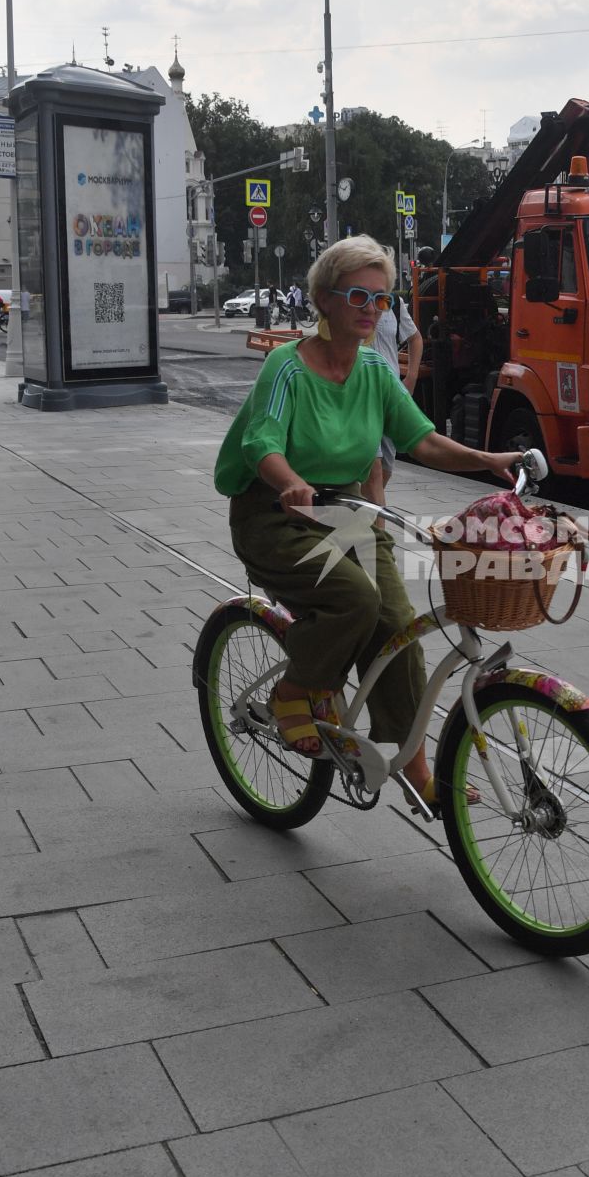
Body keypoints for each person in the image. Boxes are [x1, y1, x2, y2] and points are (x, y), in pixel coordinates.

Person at [214, 235, 518, 807]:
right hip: (275, 512)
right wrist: (290, 483)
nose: (371, 310)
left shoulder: (376, 369)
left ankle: (413, 766)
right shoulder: (289, 366)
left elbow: (421, 439)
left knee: (398, 626)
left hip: (348, 510)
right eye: (358, 296)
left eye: (381, 300)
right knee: (354, 600)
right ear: (324, 300)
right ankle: (297, 689)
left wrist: (487, 460)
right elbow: (261, 442)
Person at [362, 292, 424, 506]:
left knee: (385, 469)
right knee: (374, 474)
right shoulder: (353, 302)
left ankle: (358, 515)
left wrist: (412, 377)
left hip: (390, 397)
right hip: (361, 396)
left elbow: (415, 338)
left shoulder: (391, 302)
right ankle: (377, 536)